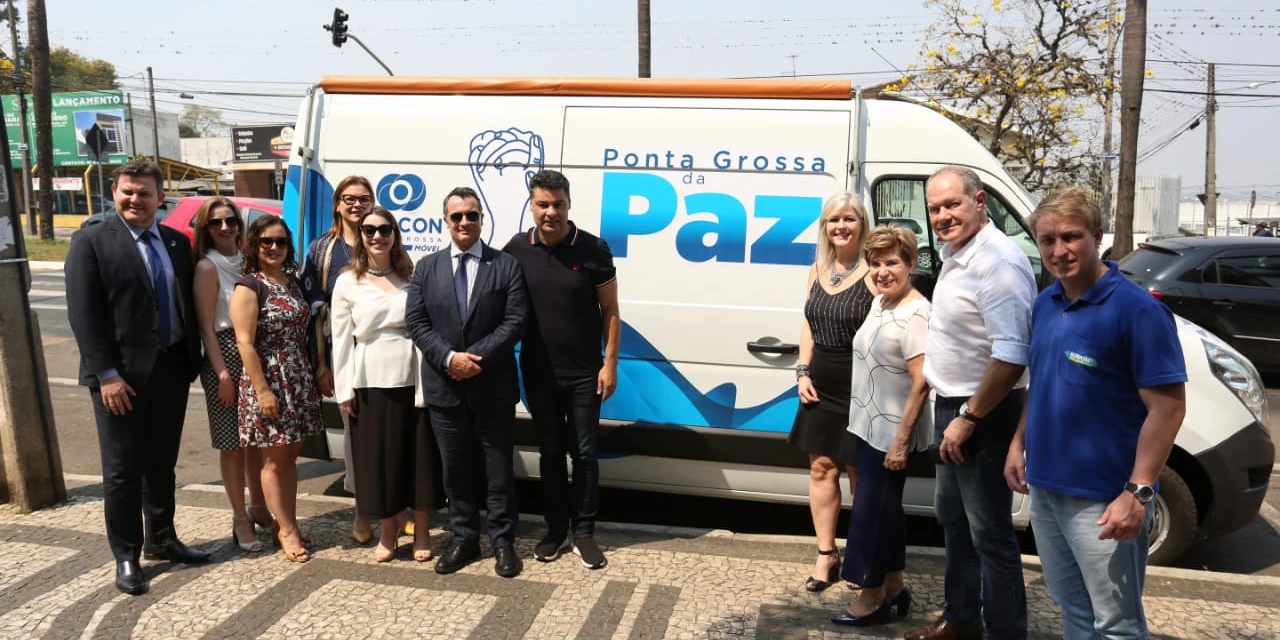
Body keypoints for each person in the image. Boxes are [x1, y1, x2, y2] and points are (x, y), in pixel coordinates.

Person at [1005, 188, 1187, 639]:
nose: (1059, 250)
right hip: (1046, 490)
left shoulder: (1138, 310)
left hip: (1104, 498)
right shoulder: (1045, 303)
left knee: (1116, 624)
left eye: (1071, 236)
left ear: (1098, 236)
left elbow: (1167, 408)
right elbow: (1041, 381)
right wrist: (1018, 443)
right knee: (1073, 610)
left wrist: (1137, 492)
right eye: (1047, 240)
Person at [66, 161, 209, 596]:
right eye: (128, 191)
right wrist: (106, 375)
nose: (135, 199)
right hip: (120, 380)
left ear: (160, 198)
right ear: (114, 191)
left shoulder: (176, 242)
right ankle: (126, 554)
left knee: (161, 464)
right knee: (122, 471)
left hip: (171, 370)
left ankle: (162, 539)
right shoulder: (92, 241)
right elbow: (84, 315)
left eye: (145, 193)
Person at [906, 166, 1036, 640]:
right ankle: (962, 620)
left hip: (984, 412)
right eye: (934, 208)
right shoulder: (957, 252)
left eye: (952, 205)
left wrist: (969, 417)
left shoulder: (998, 263)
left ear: (979, 202)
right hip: (955, 408)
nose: (942, 216)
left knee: (990, 535)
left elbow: (1011, 355)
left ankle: (1004, 632)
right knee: (955, 523)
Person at [405, 186, 529, 578]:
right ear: (446, 221)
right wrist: (449, 358)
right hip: (445, 388)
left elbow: (515, 320)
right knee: (455, 472)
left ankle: (504, 543)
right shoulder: (427, 268)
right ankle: (464, 540)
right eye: (456, 216)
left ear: (481, 219)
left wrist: (475, 358)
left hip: (492, 386)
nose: (464, 222)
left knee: (498, 472)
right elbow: (416, 321)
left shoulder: (505, 265)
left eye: (471, 215)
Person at [502, 169, 621, 570]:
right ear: (532, 206)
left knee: (584, 454)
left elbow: (611, 310)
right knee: (550, 454)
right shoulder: (517, 248)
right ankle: (554, 530)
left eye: (558, 204)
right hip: (539, 372)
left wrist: (609, 364)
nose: (550, 212)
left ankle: (584, 533)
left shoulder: (593, 248)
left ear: (569, 205)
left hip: (586, 373)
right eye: (542, 204)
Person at [832, 226, 932, 627]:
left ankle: (870, 598)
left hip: (891, 431)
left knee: (870, 513)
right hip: (867, 425)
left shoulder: (917, 312)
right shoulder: (880, 302)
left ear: (910, 264)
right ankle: (894, 587)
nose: (882, 271)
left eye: (892, 262)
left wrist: (901, 441)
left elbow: (921, 382)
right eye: (875, 263)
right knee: (886, 511)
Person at [331, 207, 441, 563]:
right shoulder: (348, 281)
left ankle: (422, 531)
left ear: (395, 234)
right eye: (369, 230)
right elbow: (341, 338)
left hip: (414, 376)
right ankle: (389, 531)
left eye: (384, 229)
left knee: (418, 457)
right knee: (381, 460)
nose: (377, 236)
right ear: (361, 236)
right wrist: (344, 389)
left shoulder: (413, 274)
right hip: (369, 379)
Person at [787, 192, 875, 592]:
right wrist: (802, 372)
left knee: (860, 474)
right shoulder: (817, 269)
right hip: (820, 382)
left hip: (862, 385)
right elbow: (808, 324)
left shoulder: (874, 271)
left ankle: (863, 555)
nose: (841, 226)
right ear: (825, 227)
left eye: (849, 219)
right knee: (822, 468)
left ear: (862, 224)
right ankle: (826, 554)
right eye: (833, 220)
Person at [300, 175, 388, 544]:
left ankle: (396, 508)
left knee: (391, 434)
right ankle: (362, 509)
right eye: (348, 198)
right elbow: (313, 313)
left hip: (383, 354)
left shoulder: (382, 240)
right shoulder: (323, 250)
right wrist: (322, 366)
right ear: (337, 204)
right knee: (356, 438)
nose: (356, 204)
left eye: (364, 198)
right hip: (341, 353)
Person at [231, 216, 324, 564]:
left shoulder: (292, 282)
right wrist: (263, 391)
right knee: (274, 458)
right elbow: (244, 343)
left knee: (289, 456)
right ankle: (284, 529)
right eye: (267, 241)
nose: (274, 247)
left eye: (281, 241)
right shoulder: (249, 286)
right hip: (270, 377)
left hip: (297, 376)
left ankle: (288, 522)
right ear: (254, 244)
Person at [192, 197, 271, 553]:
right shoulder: (207, 267)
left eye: (230, 220)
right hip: (224, 352)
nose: (225, 227)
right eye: (216, 222)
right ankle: (240, 517)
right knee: (232, 442)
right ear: (206, 229)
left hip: (252, 349)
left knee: (255, 438)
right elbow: (206, 326)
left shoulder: (249, 260)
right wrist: (222, 374)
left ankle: (259, 506)